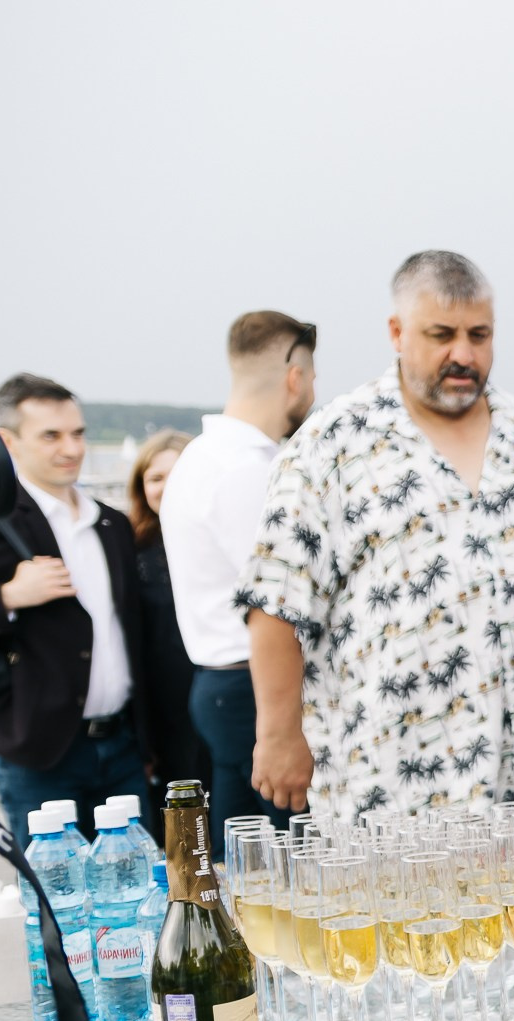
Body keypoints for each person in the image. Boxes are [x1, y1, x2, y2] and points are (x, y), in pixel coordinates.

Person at [243, 251, 514, 821]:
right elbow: (276, 603)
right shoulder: (332, 443)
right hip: (390, 788)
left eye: (479, 335)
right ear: (397, 332)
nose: (464, 354)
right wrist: (278, 734)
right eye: (442, 335)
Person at [0, 374, 149, 843]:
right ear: (8, 441)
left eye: (78, 433)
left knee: (140, 883)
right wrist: (7, 596)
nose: (72, 448)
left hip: (125, 746)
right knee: (51, 888)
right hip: (39, 753)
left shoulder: (112, 523)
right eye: (51, 435)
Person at [160, 309, 317, 844]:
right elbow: (279, 602)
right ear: (295, 376)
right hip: (259, 691)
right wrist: (284, 729)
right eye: (313, 377)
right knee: (295, 860)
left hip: (223, 686)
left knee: (246, 860)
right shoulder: (249, 471)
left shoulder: (200, 457)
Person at [123, 429, 210, 815]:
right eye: (156, 478)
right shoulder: (130, 550)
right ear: (141, 488)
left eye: (177, 474)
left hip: (218, 698)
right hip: (162, 714)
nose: (167, 487)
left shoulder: (218, 542)